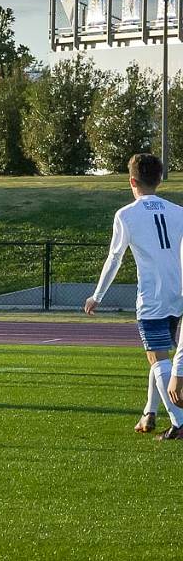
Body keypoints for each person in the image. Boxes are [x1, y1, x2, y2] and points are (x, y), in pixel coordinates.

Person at [84, 154, 183, 441]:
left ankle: (179, 422)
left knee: (157, 357)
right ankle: (149, 412)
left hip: (151, 296)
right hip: (177, 294)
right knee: (160, 355)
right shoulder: (178, 211)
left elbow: (114, 258)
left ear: (132, 181)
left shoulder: (126, 214)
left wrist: (97, 295)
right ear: (159, 180)